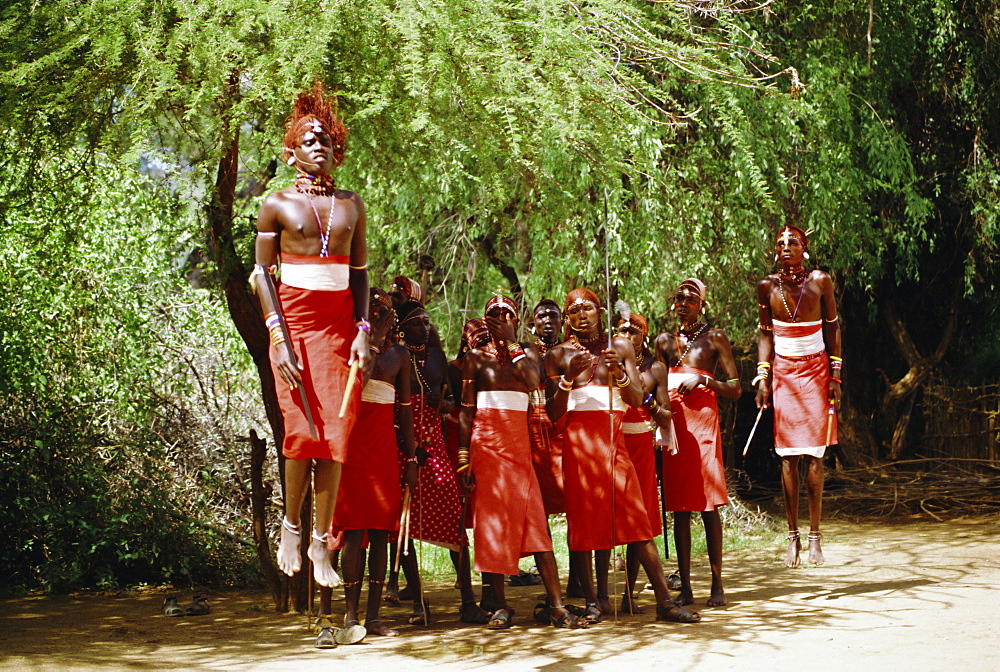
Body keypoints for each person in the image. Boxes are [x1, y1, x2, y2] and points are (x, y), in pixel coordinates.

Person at [251, 82, 368, 588]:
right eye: (308, 139)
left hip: (340, 332)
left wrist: (363, 331)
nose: (317, 145)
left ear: (334, 147)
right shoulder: (276, 204)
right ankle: (292, 528)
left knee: (336, 439)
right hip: (294, 329)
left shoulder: (351, 205)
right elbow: (261, 276)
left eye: (324, 139)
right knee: (301, 437)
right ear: (290, 151)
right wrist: (277, 339)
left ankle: (324, 543)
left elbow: (360, 273)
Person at [545, 288, 700, 623]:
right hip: (578, 445)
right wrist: (569, 379)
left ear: (600, 311)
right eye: (572, 311)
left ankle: (664, 601)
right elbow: (553, 411)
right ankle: (591, 602)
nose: (580, 316)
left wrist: (619, 374)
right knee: (583, 524)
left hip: (613, 442)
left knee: (636, 520)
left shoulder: (620, 347)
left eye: (586, 309)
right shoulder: (557, 354)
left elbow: (634, 398)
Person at [458, 295, 587, 629]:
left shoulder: (528, 353)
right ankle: (500, 605)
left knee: (536, 526)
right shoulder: (474, 360)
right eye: (493, 314)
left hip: (519, 449)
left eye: (507, 313)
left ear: (516, 319)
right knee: (491, 526)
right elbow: (466, 411)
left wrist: (511, 343)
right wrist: (463, 459)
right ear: (485, 319)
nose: (500, 317)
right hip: (486, 446)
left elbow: (532, 382)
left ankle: (557, 605)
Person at [314, 288, 419, 647]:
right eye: (371, 310)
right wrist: (370, 340)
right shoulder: (349, 349)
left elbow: (404, 410)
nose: (378, 315)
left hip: (383, 451)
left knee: (379, 533)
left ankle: (373, 616)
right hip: (350, 446)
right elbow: (360, 375)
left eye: (384, 311)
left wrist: (413, 459)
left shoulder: (402, 356)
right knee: (351, 533)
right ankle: (348, 616)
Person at [389, 300, 489, 625]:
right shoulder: (393, 358)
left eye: (428, 322)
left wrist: (444, 403)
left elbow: (459, 402)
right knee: (403, 524)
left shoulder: (437, 359)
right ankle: (418, 601)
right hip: (404, 446)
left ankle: (468, 600)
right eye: (418, 322)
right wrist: (408, 446)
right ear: (402, 327)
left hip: (434, 445)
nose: (426, 327)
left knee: (454, 519)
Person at [755, 225, 841, 568]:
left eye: (793, 242)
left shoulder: (820, 281)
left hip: (818, 370)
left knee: (815, 458)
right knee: (788, 457)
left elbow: (833, 326)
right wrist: (762, 376)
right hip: (784, 373)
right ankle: (791, 536)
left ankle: (815, 536)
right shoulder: (766, 287)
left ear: (804, 248)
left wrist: (836, 374)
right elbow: (764, 334)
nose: (786, 247)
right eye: (780, 243)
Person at [654, 279, 740, 607]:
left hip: (703, 423)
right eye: (679, 297)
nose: (683, 301)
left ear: (702, 303)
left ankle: (717, 584)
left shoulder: (714, 338)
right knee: (679, 507)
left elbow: (735, 388)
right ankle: (686, 586)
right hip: (675, 425)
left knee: (707, 506)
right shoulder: (664, 341)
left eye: (691, 297)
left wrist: (704, 379)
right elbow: (656, 384)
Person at [614, 311, 665, 614]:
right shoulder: (603, 362)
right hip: (612, 441)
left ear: (644, 335)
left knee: (639, 519)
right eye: (622, 330)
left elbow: (667, 415)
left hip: (641, 444)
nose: (628, 335)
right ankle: (599, 596)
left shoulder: (655, 369)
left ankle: (629, 596)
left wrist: (647, 401)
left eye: (634, 331)